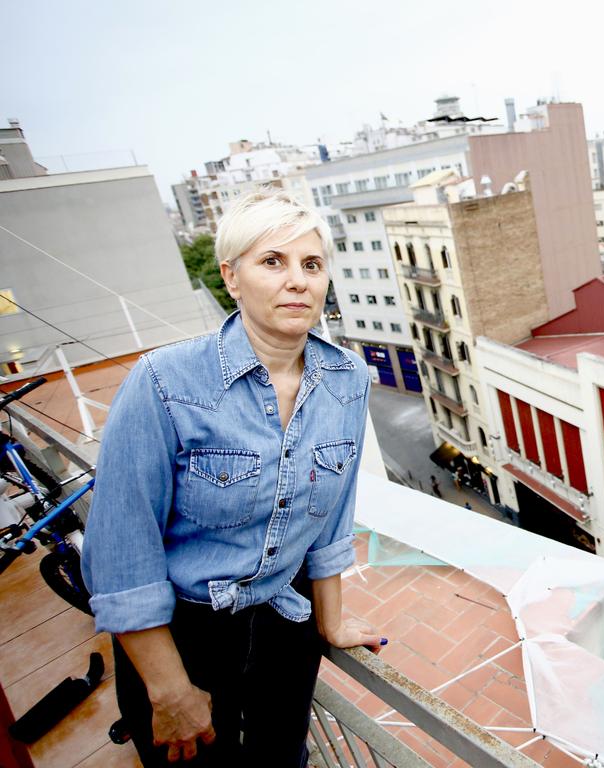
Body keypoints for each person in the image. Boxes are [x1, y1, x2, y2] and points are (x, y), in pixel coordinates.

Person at [82, 191, 382, 767]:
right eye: (273, 261)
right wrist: (169, 689)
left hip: (285, 626)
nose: (298, 280)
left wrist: (333, 619)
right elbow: (122, 552)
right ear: (231, 277)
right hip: (183, 636)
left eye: (311, 265)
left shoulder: (348, 379)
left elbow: (333, 518)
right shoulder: (165, 382)